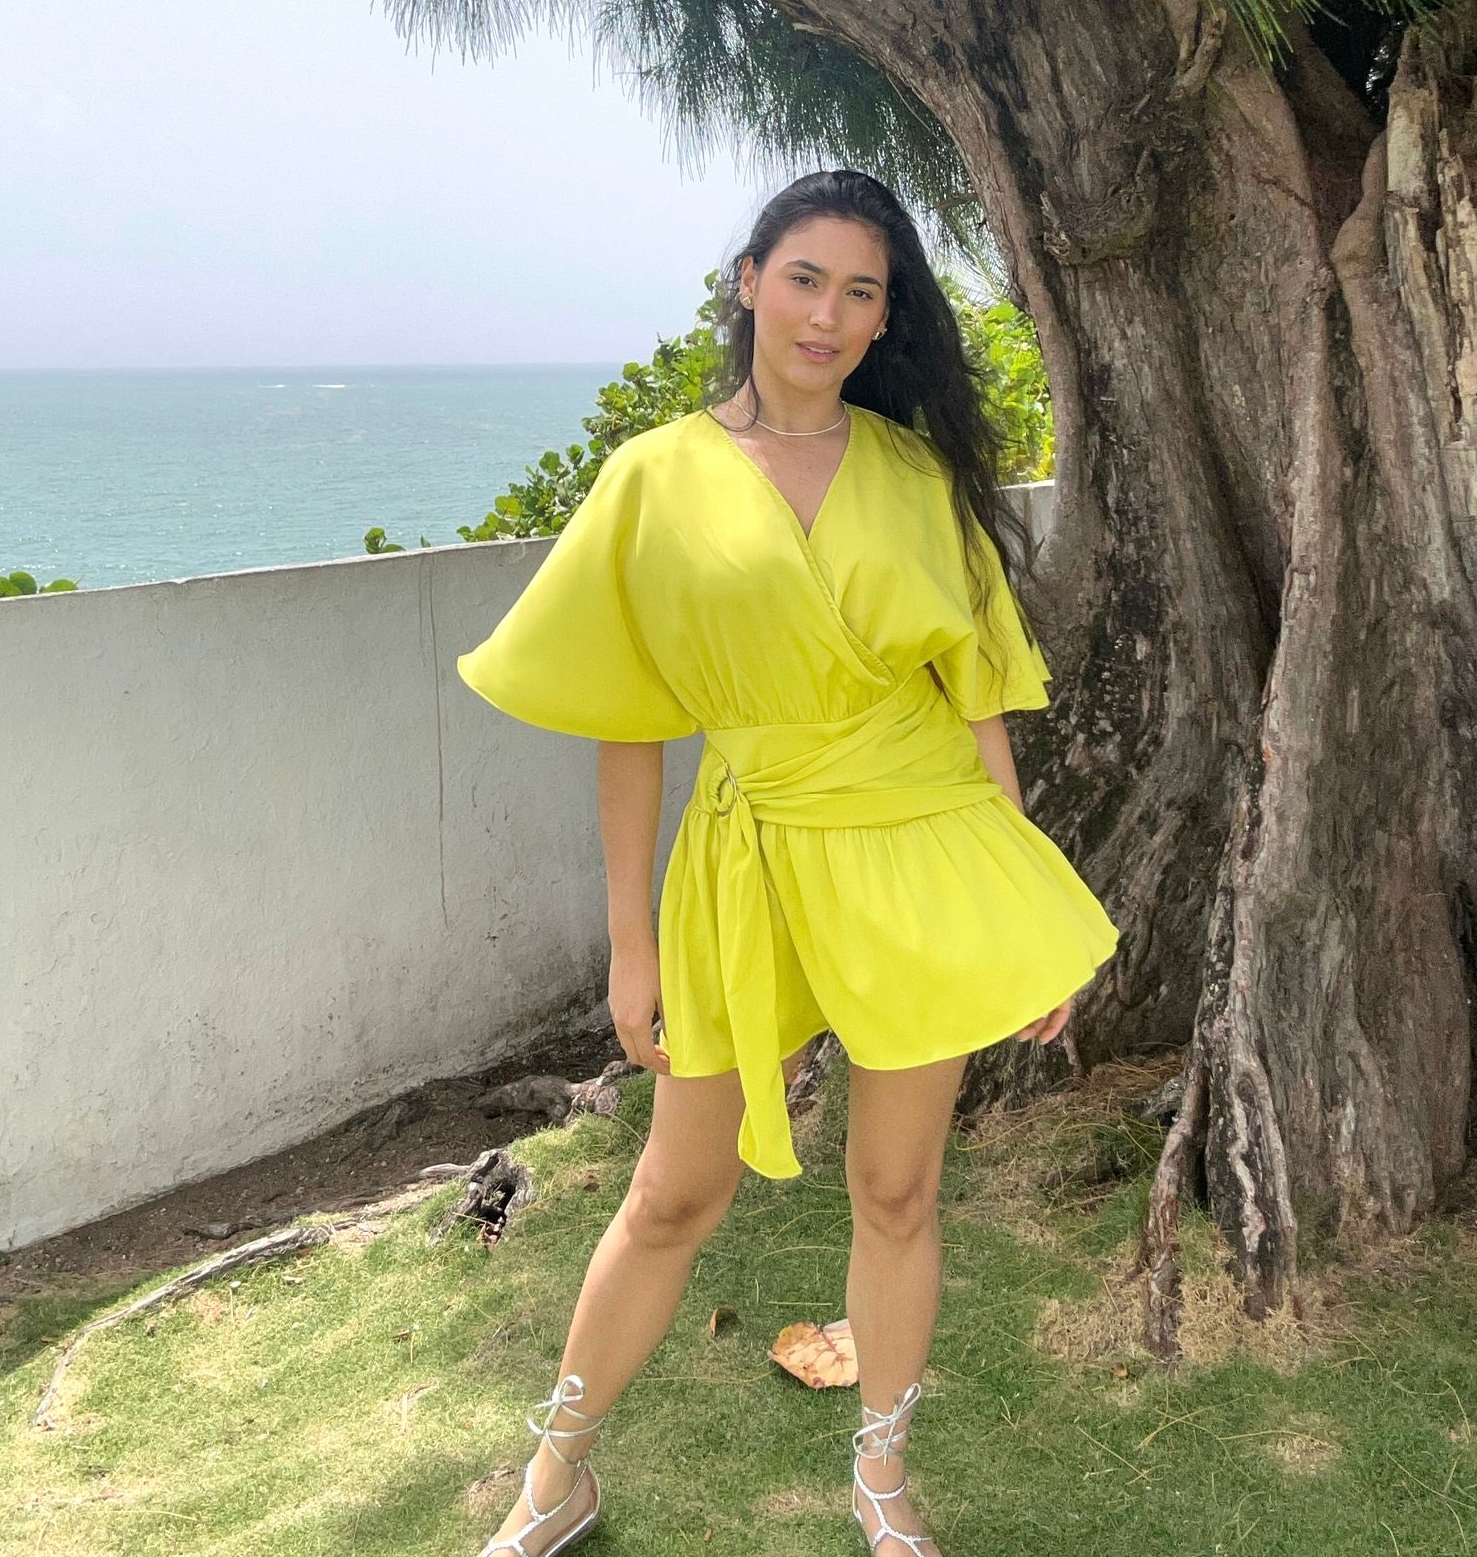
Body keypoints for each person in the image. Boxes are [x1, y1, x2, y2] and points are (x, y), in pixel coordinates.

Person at [455, 169, 1120, 1555]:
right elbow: (625, 730)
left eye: (862, 291)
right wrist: (631, 946)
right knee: (672, 1193)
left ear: (888, 322)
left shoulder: (919, 478)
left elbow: (976, 702)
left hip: (920, 845)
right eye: (805, 277)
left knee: (896, 1189)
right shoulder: (657, 478)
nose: (828, 313)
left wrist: (1021, 922)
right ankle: (557, 1473)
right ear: (747, 281)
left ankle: (880, 1484)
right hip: (747, 861)